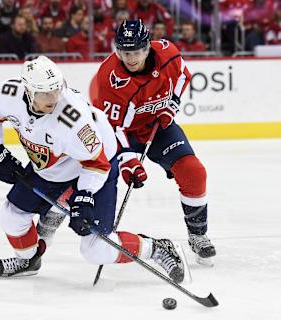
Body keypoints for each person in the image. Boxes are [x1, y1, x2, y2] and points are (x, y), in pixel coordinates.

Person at [0, 55, 187, 281]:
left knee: (95, 249)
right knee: (11, 216)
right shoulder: (8, 94)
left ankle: (156, 248)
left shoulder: (72, 119)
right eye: (45, 93)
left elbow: (96, 163)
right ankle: (28, 260)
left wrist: (84, 196)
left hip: (96, 166)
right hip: (53, 167)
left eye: (57, 89)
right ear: (27, 91)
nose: (54, 97)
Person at [91, 20, 216, 265]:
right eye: (125, 52)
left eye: (136, 52)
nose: (130, 58)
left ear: (147, 47)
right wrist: (127, 160)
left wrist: (173, 104)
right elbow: (110, 127)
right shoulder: (109, 77)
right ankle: (48, 223)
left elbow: (183, 75)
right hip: (118, 136)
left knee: (194, 172)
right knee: (85, 176)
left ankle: (198, 235)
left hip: (157, 129)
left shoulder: (167, 53)